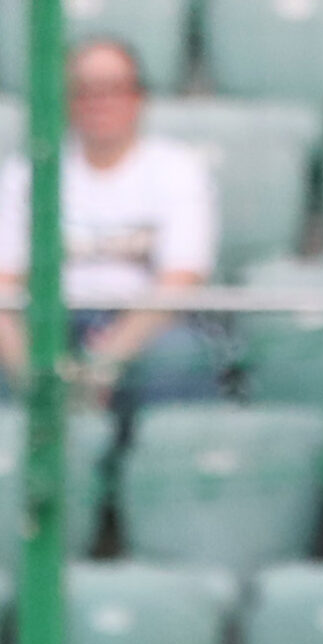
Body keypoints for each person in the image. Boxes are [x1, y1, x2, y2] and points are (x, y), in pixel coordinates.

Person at [0, 35, 221, 413]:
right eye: (84, 90)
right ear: (66, 100)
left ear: (138, 98)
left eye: (113, 88)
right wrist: (28, 370)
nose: (99, 102)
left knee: (179, 355)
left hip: (144, 323)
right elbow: (3, 284)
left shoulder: (177, 170)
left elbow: (181, 279)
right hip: (48, 320)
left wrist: (105, 361)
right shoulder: (26, 174)